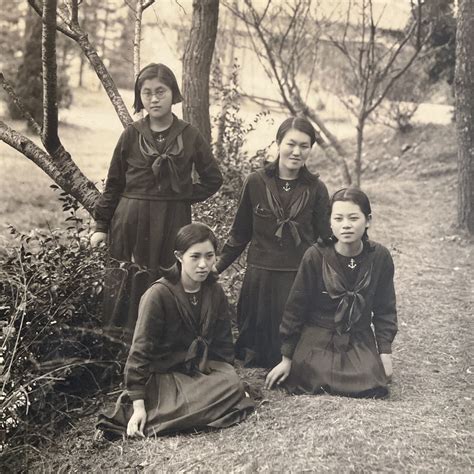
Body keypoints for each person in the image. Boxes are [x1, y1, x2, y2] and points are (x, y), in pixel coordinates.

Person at [90, 63, 223, 344]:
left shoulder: (189, 135)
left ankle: (164, 346)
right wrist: (101, 224)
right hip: (131, 221)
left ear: (173, 93)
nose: (154, 99)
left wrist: (182, 195)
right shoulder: (130, 135)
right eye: (146, 93)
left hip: (172, 221)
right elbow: (113, 183)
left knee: (167, 278)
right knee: (128, 279)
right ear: (140, 97)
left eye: (160, 91)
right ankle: (120, 348)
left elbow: (213, 179)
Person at [96, 223, 255, 439]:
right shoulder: (158, 295)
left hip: (199, 372)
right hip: (164, 376)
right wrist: (139, 405)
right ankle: (151, 414)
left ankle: (191, 409)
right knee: (229, 393)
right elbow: (140, 351)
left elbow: (224, 343)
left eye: (209, 256)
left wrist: (228, 375)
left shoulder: (214, 291)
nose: (203, 265)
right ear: (179, 256)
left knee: (232, 384)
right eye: (195, 256)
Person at [216, 117, 331, 368]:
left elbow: (326, 239)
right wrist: (216, 268)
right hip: (260, 280)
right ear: (278, 143)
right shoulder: (256, 182)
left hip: (298, 279)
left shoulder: (316, 188)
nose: (296, 151)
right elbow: (239, 234)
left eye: (304, 145)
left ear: (311, 148)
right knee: (257, 356)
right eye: (291, 144)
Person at [265, 187, 397, 398]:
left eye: (353, 218)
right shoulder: (315, 256)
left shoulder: (380, 257)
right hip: (319, 334)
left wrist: (385, 354)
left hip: (358, 335)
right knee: (313, 375)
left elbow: (385, 309)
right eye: (339, 218)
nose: (346, 225)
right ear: (330, 222)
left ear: (368, 220)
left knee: (372, 381)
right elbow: (295, 308)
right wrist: (287, 359)